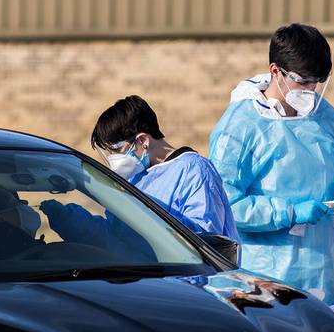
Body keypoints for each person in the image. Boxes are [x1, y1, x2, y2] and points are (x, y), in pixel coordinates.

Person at [208, 23, 334, 316]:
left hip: (328, 277)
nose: (309, 91)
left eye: (317, 82)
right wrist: (289, 212)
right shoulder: (238, 128)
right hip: (265, 283)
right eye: (301, 81)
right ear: (275, 71)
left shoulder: (328, 119)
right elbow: (226, 205)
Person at [41, 95, 239, 245]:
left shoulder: (194, 171)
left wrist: (146, 214)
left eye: (117, 150)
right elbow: (117, 236)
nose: (113, 159)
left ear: (143, 140)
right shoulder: (136, 177)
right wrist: (71, 220)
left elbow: (204, 239)